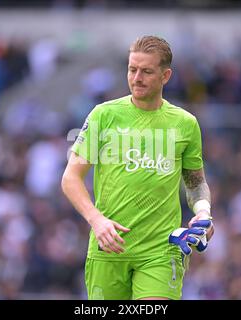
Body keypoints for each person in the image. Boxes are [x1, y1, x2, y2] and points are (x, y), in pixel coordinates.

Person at [61, 35, 214, 300]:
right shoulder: (104, 115)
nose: (137, 78)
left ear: (166, 76)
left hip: (160, 251)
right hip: (108, 249)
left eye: (146, 71)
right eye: (132, 69)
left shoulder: (185, 124)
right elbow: (70, 178)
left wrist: (203, 213)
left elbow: (195, 182)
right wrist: (96, 220)